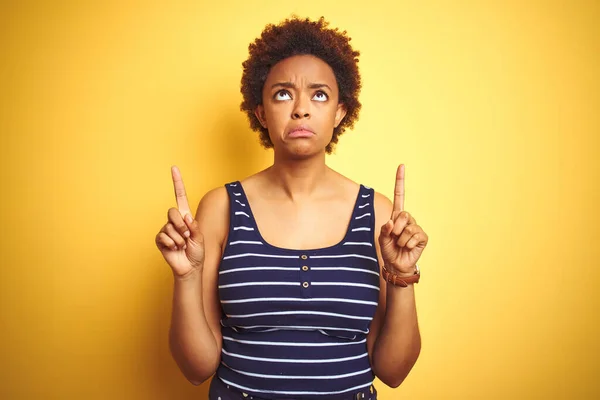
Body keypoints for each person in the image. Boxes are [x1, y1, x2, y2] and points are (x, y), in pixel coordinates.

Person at [155, 16, 429, 400]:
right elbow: (196, 369)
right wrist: (186, 277)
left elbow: (394, 372)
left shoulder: (378, 214)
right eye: (283, 94)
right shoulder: (221, 207)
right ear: (261, 112)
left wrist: (402, 275)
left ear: (339, 112)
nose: (301, 109)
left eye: (319, 95)